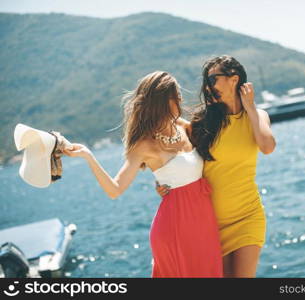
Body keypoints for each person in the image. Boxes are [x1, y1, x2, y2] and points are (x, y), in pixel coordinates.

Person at [62, 71, 223, 278]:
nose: (182, 99)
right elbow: (115, 189)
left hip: (203, 218)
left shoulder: (183, 127)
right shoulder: (144, 145)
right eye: (177, 95)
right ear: (163, 100)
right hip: (175, 226)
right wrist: (88, 156)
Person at [157, 55, 276, 278]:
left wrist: (250, 108)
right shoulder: (201, 124)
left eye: (213, 79)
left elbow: (267, 147)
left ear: (234, 79)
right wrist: (163, 183)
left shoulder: (258, 116)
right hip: (208, 223)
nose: (208, 86)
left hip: (248, 217)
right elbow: (179, 160)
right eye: (206, 81)